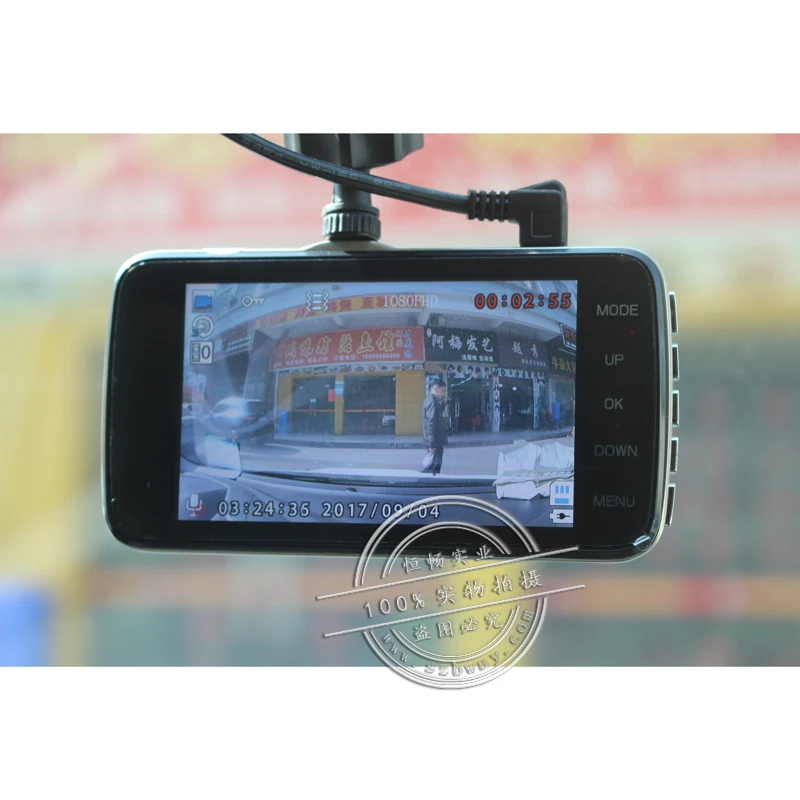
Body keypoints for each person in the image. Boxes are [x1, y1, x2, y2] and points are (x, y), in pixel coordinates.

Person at [421, 379, 449, 475]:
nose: (443, 394)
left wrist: (443, 403)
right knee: (435, 466)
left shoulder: (430, 400)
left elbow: (436, 414)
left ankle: (429, 478)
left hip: (434, 439)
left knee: (433, 464)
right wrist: (432, 443)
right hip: (435, 440)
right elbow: (431, 422)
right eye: (443, 391)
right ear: (436, 389)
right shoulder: (432, 401)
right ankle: (430, 480)